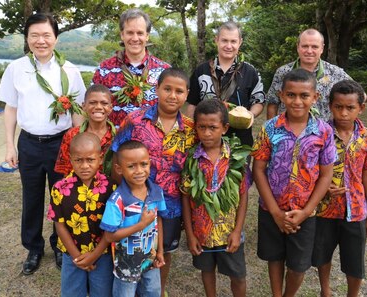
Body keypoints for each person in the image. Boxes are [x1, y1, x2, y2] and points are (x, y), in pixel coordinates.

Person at [0, 13, 86, 274]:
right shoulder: (16, 68)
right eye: (34, 35)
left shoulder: (69, 70)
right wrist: (10, 146)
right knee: (32, 198)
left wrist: (78, 144)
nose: (41, 40)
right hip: (29, 144)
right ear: (27, 38)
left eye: (46, 35)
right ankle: (34, 248)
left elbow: (78, 112)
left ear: (56, 38)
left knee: (63, 197)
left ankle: (61, 246)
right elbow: (11, 109)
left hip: (61, 144)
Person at [109, 67, 196, 297]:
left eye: (179, 91)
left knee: (162, 252)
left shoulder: (190, 129)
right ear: (157, 89)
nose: (172, 95)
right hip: (132, 202)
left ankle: (158, 291)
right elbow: (116, 157)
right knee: (129, 248)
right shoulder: (135, 120)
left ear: (187, 94)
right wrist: (124, 195)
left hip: (170, 205)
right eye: (167, 89)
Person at [252, 69, 337, 297]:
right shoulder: (269, 128)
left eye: (304, 95)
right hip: (271, 209)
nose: (297, 101)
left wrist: (306, 211)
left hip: (305, 213)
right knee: (275, 257)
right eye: (291, 95)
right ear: (281, 95)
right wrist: (275, 212)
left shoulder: (324, 132)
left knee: (299, 265)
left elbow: (326, 174)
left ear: (315, 97)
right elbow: (258, 170)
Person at [312, 80, 367, 297]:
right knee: (322, 255)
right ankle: (326, 291)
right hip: (325, 209)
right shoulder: (319, 134)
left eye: (350, 108)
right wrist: (322, 189)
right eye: (338, 107)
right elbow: (310, 172)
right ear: (330, 106)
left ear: (361, 108)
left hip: (356, 212)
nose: (344, 113)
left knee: (354, 261)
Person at [181, 99, 251, 297]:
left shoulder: (236, 159)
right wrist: (190, 233)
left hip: (228, 232)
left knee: (238, 275)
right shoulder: (191, 159)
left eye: (213, 127)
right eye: (201, 127)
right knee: (207, 270)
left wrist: (237, 231)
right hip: (201, 232)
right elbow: (186, 198)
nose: (207, 133)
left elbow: (243, 195)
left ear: (225, 128)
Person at [48, 133, 115, 297]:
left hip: (102, 255)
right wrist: (77, 257)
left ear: (100, 158)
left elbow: (112, 226)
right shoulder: (59, 188)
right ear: (70, 159)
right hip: (71, 256)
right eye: (78, 160)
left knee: (102, 293)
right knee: (72, 293)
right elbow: (59, 224)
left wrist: (95, 255)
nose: (84, 166)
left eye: (90, 160)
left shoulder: (110, 187)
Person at [100, 140, 166, 297]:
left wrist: (160, 251)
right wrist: (141, 225)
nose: (139, 171)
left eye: (144, 164)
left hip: (150, 261)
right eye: (131, 166)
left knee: (152, 292)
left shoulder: (156, 192)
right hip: (126, 266)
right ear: (119, 169)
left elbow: (158, 221)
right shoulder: (117, 201)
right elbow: (109, 235)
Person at [186, 20, 266, 147]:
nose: (229, 46)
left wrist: (250, 115)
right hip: (205, 141)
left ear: (240, 42)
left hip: (239, 142)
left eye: (233, 41)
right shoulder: (202, 71)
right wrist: (193, 128)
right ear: (216, 40)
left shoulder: (250, 72)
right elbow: (192, 103)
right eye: (224, 40)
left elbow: (258, 101)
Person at [92, 8, 171, 128]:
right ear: (122, 35)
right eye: (130, 33)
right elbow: (92, 108)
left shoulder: (164, 71)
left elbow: (171, 110)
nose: (135, 38)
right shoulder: (104, 70)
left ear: (147, 36)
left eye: (140, 33)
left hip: (150, 144)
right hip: (113, 144)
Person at [266, 28, 352, 121]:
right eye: (305, 46)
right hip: (287, 132)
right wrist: (272, 131)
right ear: (298, 47)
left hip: (323, 133)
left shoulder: (335, 72)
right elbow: (272, 103)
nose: (309, 51)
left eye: (314, 47)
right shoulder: (283, 72)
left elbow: (360, 95)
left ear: (322, 48)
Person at [55, 84, 115, 176]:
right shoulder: (72, 135)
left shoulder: (118, 136)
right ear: (84, 106)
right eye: (92, 102)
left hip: (111, 189)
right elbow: (65, 171)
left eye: (104, 103)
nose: (98, 107)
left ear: (110, 108)